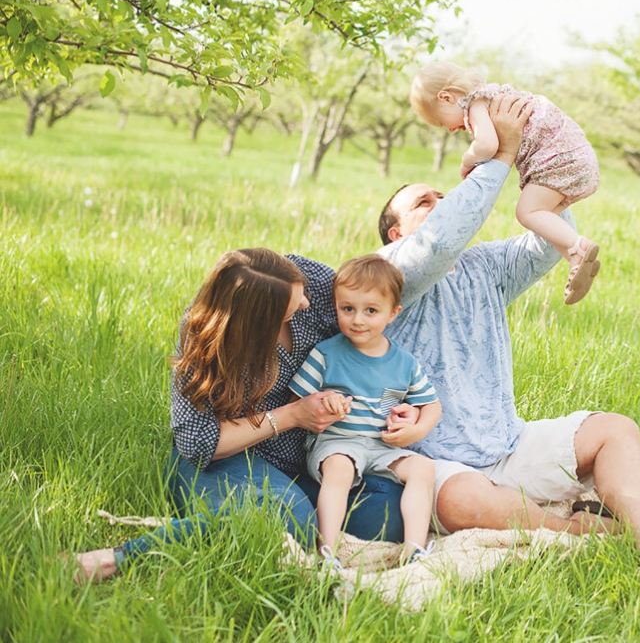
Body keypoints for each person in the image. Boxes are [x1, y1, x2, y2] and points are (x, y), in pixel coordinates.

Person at [378, 93, 640, 574]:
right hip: (438, 460)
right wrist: (500, 156)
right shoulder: (386, 275)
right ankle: (588, 532)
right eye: (424, 202)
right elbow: (442, 239)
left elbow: (546, 244)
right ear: (394, 232)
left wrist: (537, 164)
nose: (443, 203)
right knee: (459, 501)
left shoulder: (482, 265)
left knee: (615, 429)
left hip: (507, 445)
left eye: (444, 196)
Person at [74, 249, 405, 582]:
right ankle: (118, 559)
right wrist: (291, 415)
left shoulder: (313, 282)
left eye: (301, 292)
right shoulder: (207, 337)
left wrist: (399, 406)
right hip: (230, 459)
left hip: (309, 458)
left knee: (388, 511)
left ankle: (252, 516)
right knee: (290, 518)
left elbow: (371, 338)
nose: (306, 304)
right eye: (291, 309)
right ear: (256, 324)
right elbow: (198, 443)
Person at [289, 254, 441, 567]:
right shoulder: (327, 353)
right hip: (337, 443)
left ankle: (415, 549)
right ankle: (327, 549)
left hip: (381, 445)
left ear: (393, 313)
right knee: (341, 469)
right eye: (348, 309)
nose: (358, 320)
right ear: (337, 307)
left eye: (371, 311)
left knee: (423, 469)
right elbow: (297, 401)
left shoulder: (404, 362)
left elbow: (432, 405)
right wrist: (325, 399)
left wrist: (417, 429)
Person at [410, 61, 601, 305]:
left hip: (559, 158)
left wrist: (467, 159)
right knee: (546, 218)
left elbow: (488, 145)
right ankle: (576, 260)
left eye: (440, 121)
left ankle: (578, 246)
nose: (449, 129)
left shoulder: (476, 103)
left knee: (527, 213)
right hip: (577, 155)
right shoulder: (493, 96)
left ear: (446, 98)